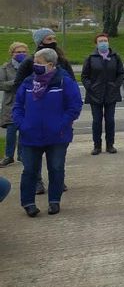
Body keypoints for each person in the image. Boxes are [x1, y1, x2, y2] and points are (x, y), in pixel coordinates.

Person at [13, 48, 83, 216]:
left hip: (57, 136)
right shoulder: (28, 82)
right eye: (34, 62)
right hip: (30, 135)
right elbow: (18, 106)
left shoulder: (64, 82)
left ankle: (54, 201)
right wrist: (22, 125)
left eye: (39, 63)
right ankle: (28, 203)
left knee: (56, 169)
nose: (35, 65)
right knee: (29, 170)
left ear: (51, 65)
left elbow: (74, 106)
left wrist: (61, 124)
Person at [13, 28, 74, 193]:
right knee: (33, 154)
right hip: (33, 115)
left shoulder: (62, 61)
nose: (53, 41)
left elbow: (71, 84)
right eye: (49, 39)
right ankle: (37, 181)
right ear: (40, 42)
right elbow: (18, 85)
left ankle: (57, 181)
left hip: (56, 114)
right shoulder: (30, 62)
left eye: (54, 38)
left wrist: (67, 116)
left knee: (57, 154)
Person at [81, 33, 124, 155]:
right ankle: (97, 146)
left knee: (110, 120)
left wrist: (115, 85)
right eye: (101, 41)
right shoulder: (90, 58)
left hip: (111, 94)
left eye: (105, 40)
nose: (103, 43)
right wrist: (90, 87)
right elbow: (84, 76)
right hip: (95, 94)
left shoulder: (115, 57)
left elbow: (121, 73)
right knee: (96, 121)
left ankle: (110, 145)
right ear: (96, 44)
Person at [0, 42, 29, 167]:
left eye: (23, 52)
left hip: (27, 103)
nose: (21, 54)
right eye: (18, 52)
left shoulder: (30, 66)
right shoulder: (5, 68)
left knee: (24, 130)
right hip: (11, 103)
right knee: (11, 131)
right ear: (12, 53)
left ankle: (22, 155)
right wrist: (16, 81)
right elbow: (1, 84)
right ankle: (8, 156)